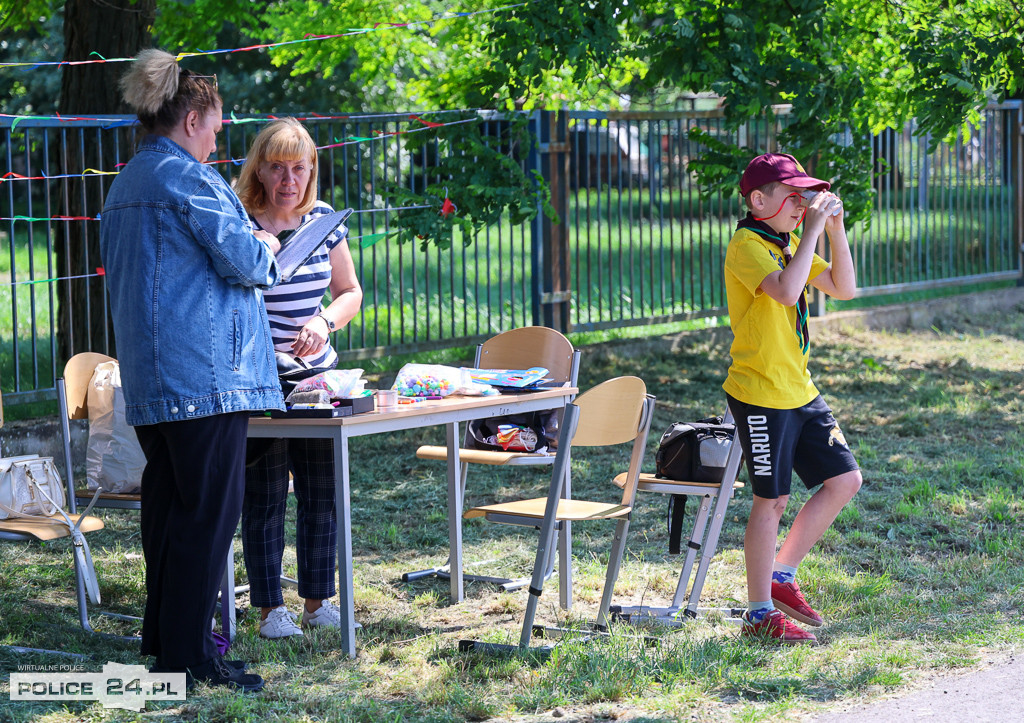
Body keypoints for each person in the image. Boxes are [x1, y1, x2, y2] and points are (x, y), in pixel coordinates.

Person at [99, 49, 284, 691]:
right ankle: (191, 660)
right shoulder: (188, 180)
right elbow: (247, 263)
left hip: (154, 380)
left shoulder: (128, 181)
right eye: (214, 126)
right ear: (191, 119)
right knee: (206, 518)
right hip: (206, 378)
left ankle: (166, 640)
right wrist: (265, 243)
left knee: (171, 514)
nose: (217, 139)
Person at [723, 152, 863, 645]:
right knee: (773, 500)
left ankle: (782, 576)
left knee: (844, 480)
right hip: (760, 392)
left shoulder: (788, 243)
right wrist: (810, 234)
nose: (802, 206)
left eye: (806, 199)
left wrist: (834, 228)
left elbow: (843, 288)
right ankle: (759, 613)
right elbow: (785, 292)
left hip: (799, 388)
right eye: (792, 197)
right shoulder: (748, 244)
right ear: (758, 200)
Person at [234, 118, 363, 639]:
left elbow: (350, 290)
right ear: (260, 171)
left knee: (321, 492)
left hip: (317, 377)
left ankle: (317, 602)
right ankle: (270, 610)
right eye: (278, 168)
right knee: (263, 494)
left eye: (299, 168)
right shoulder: (239, 223)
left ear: (312, 171)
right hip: (260, 378)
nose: (289, 180)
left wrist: (323, 321)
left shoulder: (326, 220)